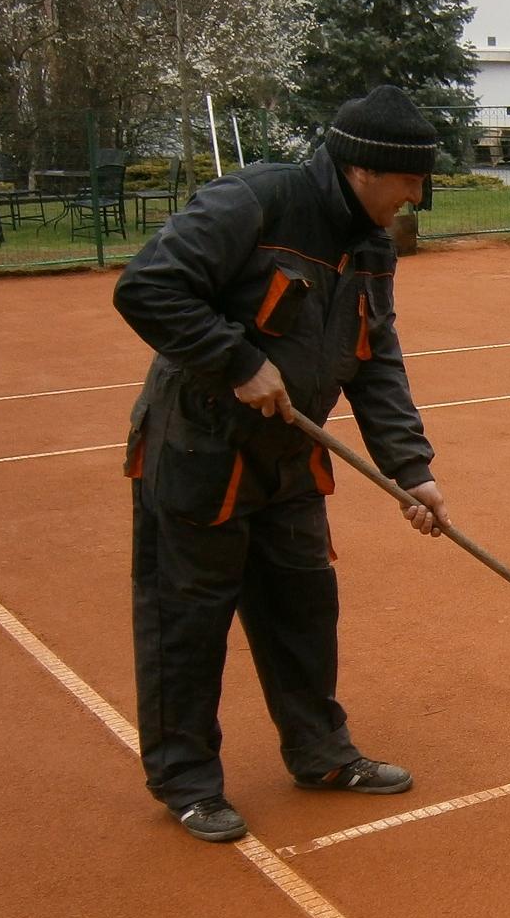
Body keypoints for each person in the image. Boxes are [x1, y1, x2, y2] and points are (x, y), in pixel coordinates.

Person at [112, 84, 451, 843]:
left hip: (291, 457)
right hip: (198, 451)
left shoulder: (370, 245)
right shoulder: (256, 201)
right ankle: (188, 781)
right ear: (364, 169)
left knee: (303, 609)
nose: (415, 196)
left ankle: (321, 752)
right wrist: (235, 360)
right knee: (187, 622)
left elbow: (375, 358)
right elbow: (148, 288)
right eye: (408, 180)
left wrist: (410, 468)